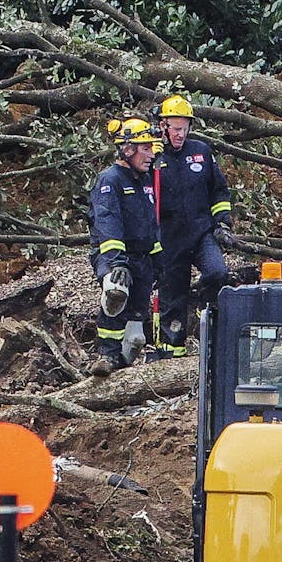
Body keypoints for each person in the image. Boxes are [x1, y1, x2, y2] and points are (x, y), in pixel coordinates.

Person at [151, 94, 234, 359]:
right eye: (175, 129)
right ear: (163, 126)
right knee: (172, 296)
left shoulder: (201, 152)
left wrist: (222, 223)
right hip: (169, 237)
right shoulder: (153, 157)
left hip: (201, 232)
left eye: (184, 128)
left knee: (218, 273)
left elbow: (219, 191)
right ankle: (172, 352)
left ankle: (204, 310)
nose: (180, 134)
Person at [86, 117, 163, 376]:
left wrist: (158, 260)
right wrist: (117, 262)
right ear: (127, 150)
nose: (151, 154)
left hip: (142, 257)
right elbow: (108, 222)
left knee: (137, 335)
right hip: (113, 255)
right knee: (116, 290)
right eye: (146, 149)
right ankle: (106, 354)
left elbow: (149, 223)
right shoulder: (110, 180)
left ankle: (124, 362)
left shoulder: (144, 179)